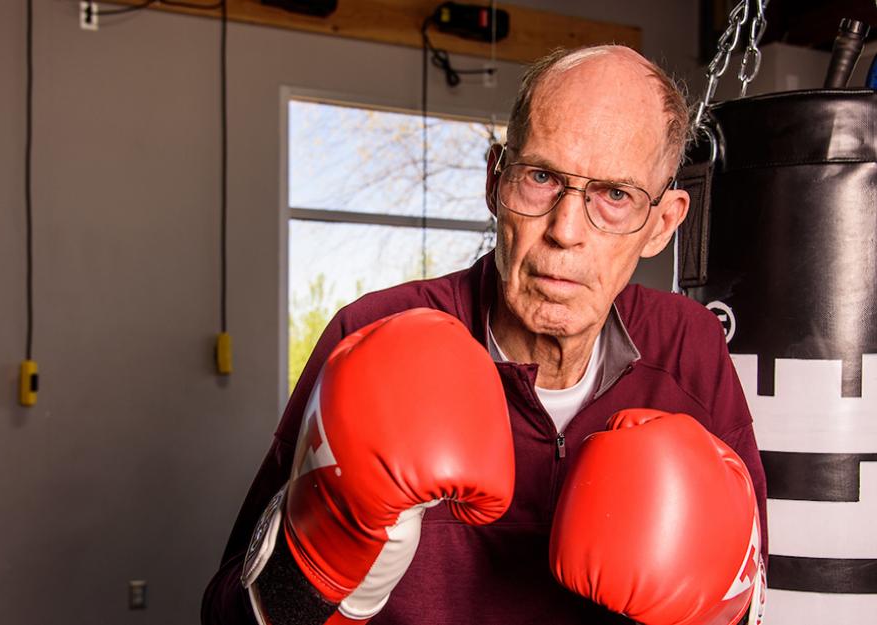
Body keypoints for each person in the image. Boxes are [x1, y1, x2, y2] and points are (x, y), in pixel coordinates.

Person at [201, 44, 768, 624]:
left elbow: (749, 602)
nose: (566, 231)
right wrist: (325, 551)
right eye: (541, 177)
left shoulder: (690, 347)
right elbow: (230, 616)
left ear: (663, 224)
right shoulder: (373, 331)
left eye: (615, 195)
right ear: (496, 180)